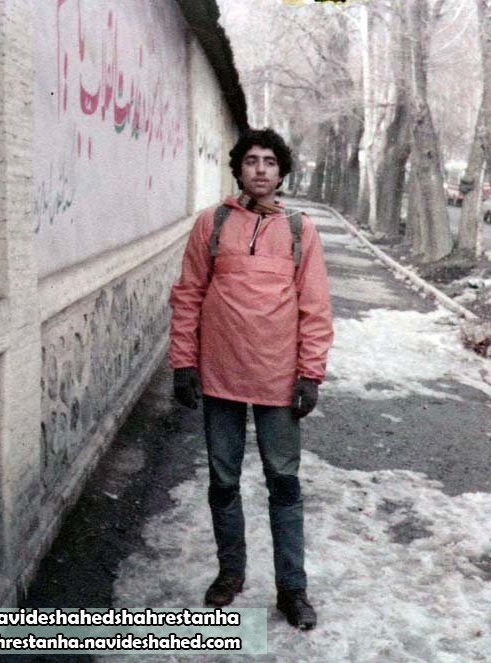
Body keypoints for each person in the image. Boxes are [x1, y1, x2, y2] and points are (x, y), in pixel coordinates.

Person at [168, 128, 334, 631]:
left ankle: (293, 590)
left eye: (270, 162)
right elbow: (188, 295)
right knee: (223, 480)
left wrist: (310, 374)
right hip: (220, 374)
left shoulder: (300, 230)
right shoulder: (213, 223)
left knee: (283, 482)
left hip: (278, 379)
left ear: (281, 173)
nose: (260, 169)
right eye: (251, 161)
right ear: (238, 169)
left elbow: (315, 307)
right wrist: (183, 364)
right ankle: (230, 572)